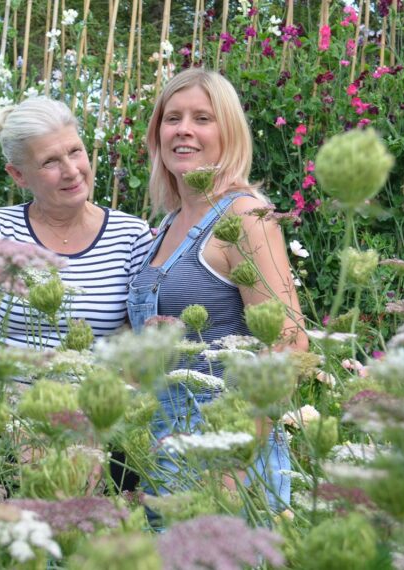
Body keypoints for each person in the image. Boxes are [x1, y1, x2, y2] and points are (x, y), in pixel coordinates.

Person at [127, 68, 308, 510]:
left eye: (202, 118)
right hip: (161, 455)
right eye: (173, 118)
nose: (184, 129)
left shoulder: (243, 217)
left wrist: (231, 464)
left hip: (228, 458)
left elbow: (289, 344)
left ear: (228, 133)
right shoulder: (165, 227)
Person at [0, 96, 153, 353]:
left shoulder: (131, 236)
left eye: (75, 152)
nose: (71, 171)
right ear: (18, 175)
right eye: (50, 161)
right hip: (8, 390)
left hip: (98, 391)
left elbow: (140, 350)